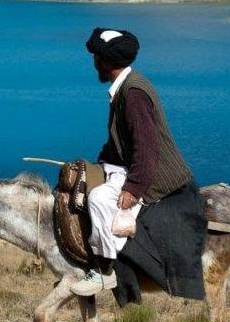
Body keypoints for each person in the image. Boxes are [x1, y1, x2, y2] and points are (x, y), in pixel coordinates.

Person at [71, 28, 196, 297]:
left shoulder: (133, 94)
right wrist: (102, 162)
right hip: (133, 167)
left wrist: (133, 189)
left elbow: (147, 147)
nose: (93, 62)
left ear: (105, 61)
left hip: (158, 177)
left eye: (96, 57)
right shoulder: (125, 87)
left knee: (99, 199)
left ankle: (106, 271)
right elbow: (122, 142)